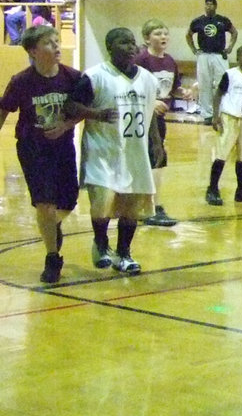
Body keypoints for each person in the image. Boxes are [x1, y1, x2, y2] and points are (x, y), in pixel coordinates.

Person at [75, 27, 161, 276]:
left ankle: (124, 253)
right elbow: (71, 105)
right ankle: (101, 244)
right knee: (102, 205)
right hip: (102, 149)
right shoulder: (94, 76)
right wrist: (96, 114)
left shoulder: (147, 78)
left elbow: (150, 112)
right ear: (110, 47)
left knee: (130, 209)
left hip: (135, 150)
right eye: (124, 42)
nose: (131, 47)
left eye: (132, 42)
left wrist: (156, 141)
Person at [0, 26, 83, 283]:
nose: (57, 47)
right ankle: (52, 257)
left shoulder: (72, 77)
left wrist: (66, 125)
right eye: (49, 43)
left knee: (68, 201)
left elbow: (84, 110)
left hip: (63, 147)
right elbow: (4, 111)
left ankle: (51, 225)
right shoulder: (21, 81)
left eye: (58, 41)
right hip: (32, 147)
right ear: (33, 51)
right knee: (44, 202)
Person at [133, 18, 184, 228]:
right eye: (157, 33)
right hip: (142, 118)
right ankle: (147, 206)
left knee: (158, 159)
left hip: (160, 119)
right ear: (146, 38)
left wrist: (184, 92)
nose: (162, 37)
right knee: (150, 158)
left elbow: (172, 88)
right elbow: (133, 87)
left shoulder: (170, 61)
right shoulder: (141, 60)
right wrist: (150, 102)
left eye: (165, 33)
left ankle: (153, 203)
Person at [205, 44, 242, 206]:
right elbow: (218, 95)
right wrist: (215, 116)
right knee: (222, 153)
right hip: (229, 117)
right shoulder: (230, 75)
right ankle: (212, 189)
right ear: (237, 59)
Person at [186, 0, 237, 124]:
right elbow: (188, 35)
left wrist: (230, 47)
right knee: (204, 84)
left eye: (211, 5)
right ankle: (207, 114)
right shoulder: (198, 21)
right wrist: (194, 49)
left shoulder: (222, 20)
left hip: (219, 55)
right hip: (203, 55)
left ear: (215, 6)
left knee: (222, 83)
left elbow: (234, 32)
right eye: (206, 4)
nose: (208, 7)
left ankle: (222, 112)